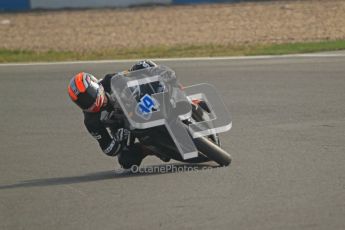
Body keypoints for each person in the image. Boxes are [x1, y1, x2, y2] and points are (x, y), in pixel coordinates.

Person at [67, 60, 158, 169]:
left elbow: (132, 74)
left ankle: (173, 93)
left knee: (144, 65)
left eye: (89, 95)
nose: (88, 101)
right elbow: (107, 148)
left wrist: (140, 71)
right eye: (82, 101)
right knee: (126, 160)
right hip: (123, 128)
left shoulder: (110, 80)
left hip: (140, 103)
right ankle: (154, 148)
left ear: (95, 84)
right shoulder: (91, 122)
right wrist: (118, 141)